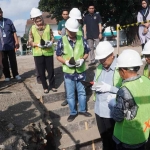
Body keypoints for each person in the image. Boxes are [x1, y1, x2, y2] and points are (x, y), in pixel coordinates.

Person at [110, 49, 150, 150]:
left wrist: (112, 106)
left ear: (123, 70)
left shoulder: (124, 90)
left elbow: (118, 117)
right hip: (144, 133)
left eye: (119, 69)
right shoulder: (146, 80)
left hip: (127, 139)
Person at [56, 18, 92, 122]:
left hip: (80, 71)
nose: (72, 33)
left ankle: (83, 110)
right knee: (70, 95)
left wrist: (82, 59)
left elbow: (87, 52)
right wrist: (65, 62)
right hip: (68, 72)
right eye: (71, 31)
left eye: (74, 31)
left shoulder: (81, 39)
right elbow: (58, 56)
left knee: (82, 92)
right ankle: (73, 112)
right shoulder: (61, 41)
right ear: (66, 29)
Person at [91, 41, 122, 150]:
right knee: (104, 139)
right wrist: (95, 86)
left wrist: (110, 88)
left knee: (113, 141)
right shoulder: (99, 67)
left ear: (111, 55)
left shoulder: (120, 67)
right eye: (100, 59)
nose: (102, 61)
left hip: (111, 112)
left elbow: (126, 90)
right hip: (99, 110)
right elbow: (95, 81)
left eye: (104, 59)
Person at [29, 7, 56, 93]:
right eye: (37, 21)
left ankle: (52, 86)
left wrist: (51, 42)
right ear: (35, 22)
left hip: (48, 51)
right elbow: (30, 41)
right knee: (41, 71)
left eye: (40, 21)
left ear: (42, 20)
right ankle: (45, 87)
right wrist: (37, 44)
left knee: (51, 70)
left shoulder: (48, 27)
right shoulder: (32, 29)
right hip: (38, 53)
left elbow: (52, 37)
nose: (39, 23)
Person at [61, 7, 83, 107]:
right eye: (76, 20)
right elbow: (61, 47)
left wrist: (82, 58)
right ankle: (68, 98)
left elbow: (83, 44)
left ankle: (78, 98)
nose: (77, 22)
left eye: (78, 20)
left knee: (78, 82)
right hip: (68, 62)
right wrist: (65, 61)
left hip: (78, 61)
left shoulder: (80, 28)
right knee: (68, 82)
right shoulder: (65, 29)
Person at [0, 8, 21, 81]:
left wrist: (17, 41)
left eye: (0, 13)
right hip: (1, 47)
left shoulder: (8, 21)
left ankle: (16, 74)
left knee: (13, 61)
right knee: (4, 61)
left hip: (10, 45)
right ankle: (7, 76)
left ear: (2, 12)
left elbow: (14, 32)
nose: (0, 14)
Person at [83, 2, 102, 66]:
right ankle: (92, 61)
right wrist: (85, 34)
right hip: (89, 36)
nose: (91, 9)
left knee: (98, 48)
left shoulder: (97, 16)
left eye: (92, 8)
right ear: (88, 9)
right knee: (90, 48)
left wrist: (100, 33)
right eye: (90, 8)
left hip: (96, 35)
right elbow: (85, 26)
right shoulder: (86, 17)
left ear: (94, 9)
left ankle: (100, 61)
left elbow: (100, 25)